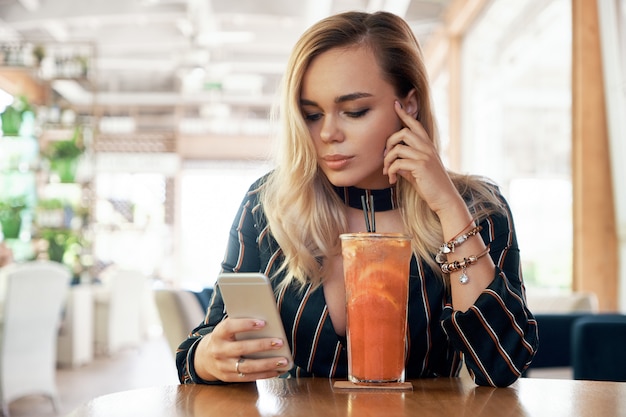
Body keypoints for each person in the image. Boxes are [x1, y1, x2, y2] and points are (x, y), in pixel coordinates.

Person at [176, 10, 538, 388]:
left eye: (354, 111)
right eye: (311, 114)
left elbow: (502, 365)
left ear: (409, 106)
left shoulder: (478, 206)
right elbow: (198, 350)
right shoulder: (268, 205)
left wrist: (448, 206)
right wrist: (208, 359)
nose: (329, 133)